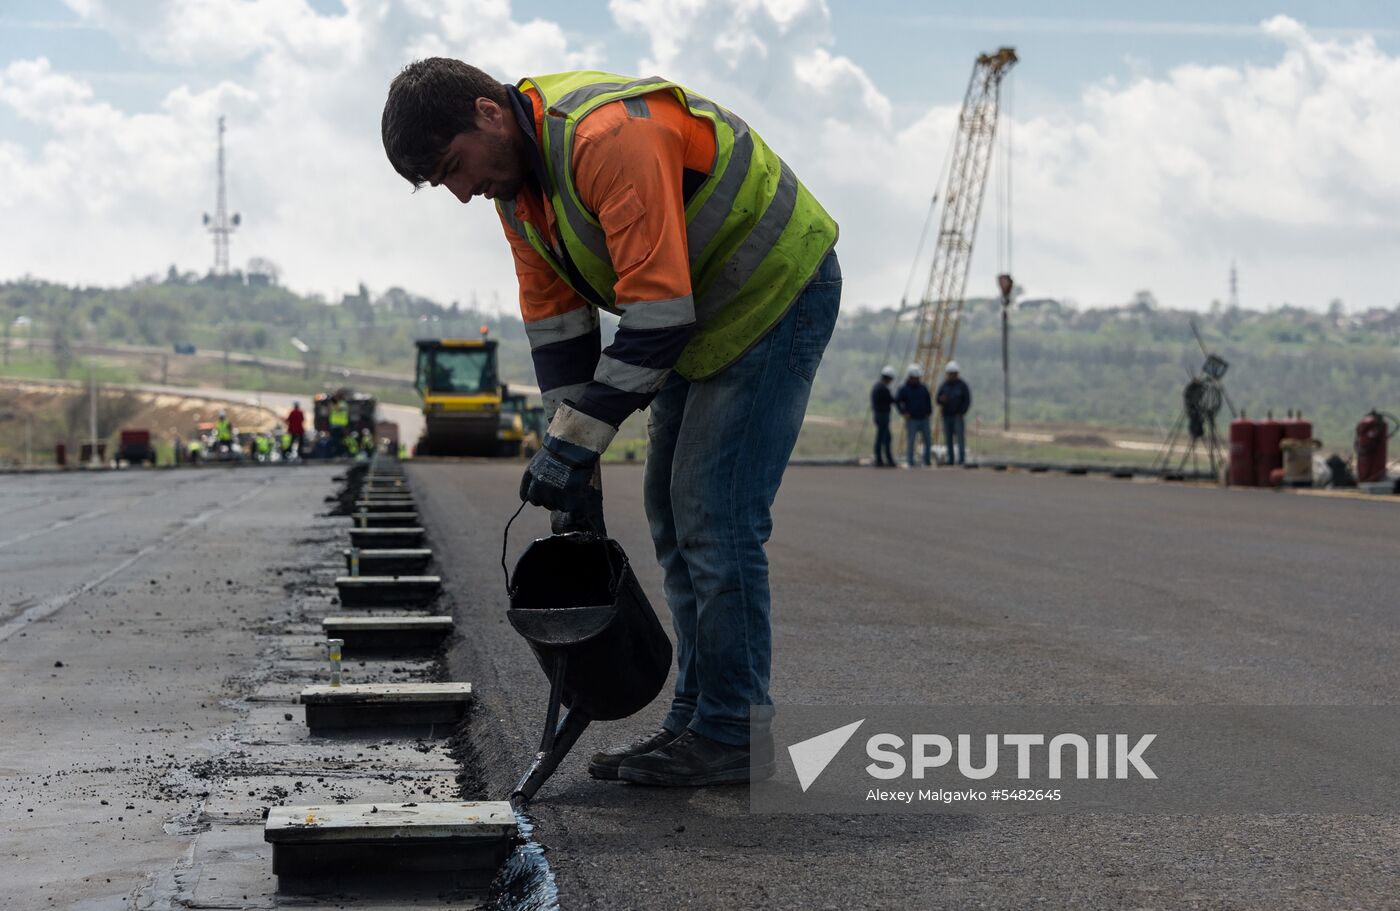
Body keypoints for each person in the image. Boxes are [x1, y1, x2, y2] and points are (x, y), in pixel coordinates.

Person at [383, 59, 839, 786]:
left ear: (489, 114)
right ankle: (698, 717)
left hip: (770, 289)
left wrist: (576, 444)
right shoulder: (520, 199)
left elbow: (656, 317)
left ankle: (733, 730)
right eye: (446, 185)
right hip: (699, 317)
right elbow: (561, 336)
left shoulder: (602, 137)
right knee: (670, 512)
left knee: (713, 515)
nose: (464, 193)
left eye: (454, 167)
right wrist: (574, 468)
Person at [895, 365, 933, 466]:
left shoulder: (923, 388)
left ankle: (927, 461)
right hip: (912, 420)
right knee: (911, 441)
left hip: (924, 419)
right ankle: (910, 461)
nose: (917, 379)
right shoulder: (903, 389)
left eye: (918, 377)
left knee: (928, 441)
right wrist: (903, 412)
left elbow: (928, 401)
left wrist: (929, 413)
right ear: (909, 377)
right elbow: (897, 401)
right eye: (915, 378)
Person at [935, 360, 971, 466]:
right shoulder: (944, 386)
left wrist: (962, 412)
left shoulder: (962, 385)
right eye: (949, 373)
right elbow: (937, 399)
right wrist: (942, 400)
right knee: (948, 439)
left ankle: (961, 459)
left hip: (957, 416)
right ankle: (950, 459)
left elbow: (967, 400)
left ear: (957, 373)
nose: (951, 375)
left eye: (953, 373)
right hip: (946, 416)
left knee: (960, 439)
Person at [870, 365, 897, 467]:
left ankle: (882, 459)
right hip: (882, 416)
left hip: (878, 415)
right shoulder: (883, 389)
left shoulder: (877, 387)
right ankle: (882, 460)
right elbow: (892, 400)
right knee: (883, 438)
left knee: (883, 438)